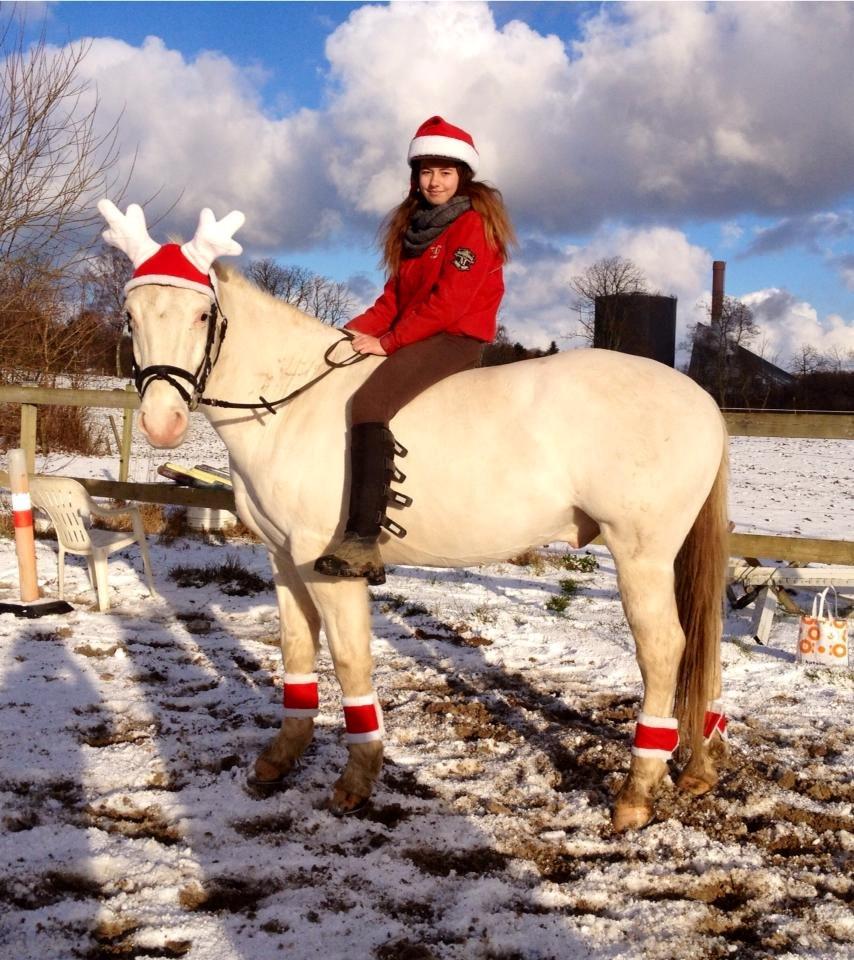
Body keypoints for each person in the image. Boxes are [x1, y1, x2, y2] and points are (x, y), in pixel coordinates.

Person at [314, 115, 516, 585]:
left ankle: (361, 540)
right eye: (427, 171)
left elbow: (449, 306)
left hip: (454, 338)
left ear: (462, 176)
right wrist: (341, 336)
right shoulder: (416, 230)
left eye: (445, 172)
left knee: (369, 401)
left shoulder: (471, 228)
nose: (435, 181)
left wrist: (387, 343)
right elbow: (394, 301)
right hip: (417, 332)